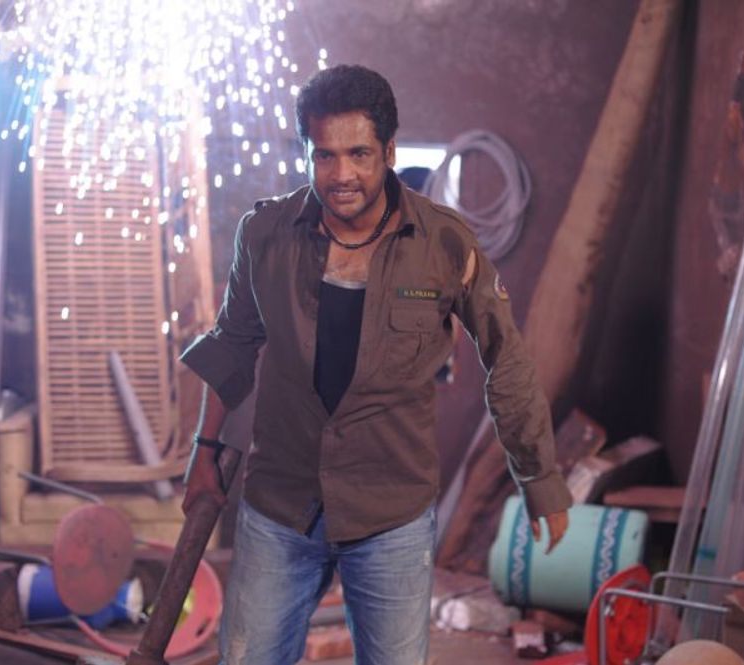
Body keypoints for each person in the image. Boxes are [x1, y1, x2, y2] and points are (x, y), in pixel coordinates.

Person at [180, 63, 572, 665]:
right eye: (324, 155)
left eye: (359, 154)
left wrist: (539, 478)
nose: (341, 175)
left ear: (389, 151)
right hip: (281, 504)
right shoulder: (265, 234)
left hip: (391, 514)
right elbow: (231, 345)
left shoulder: (446, 244)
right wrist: (203, 454)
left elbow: (508, 360)